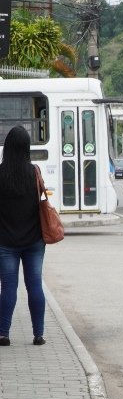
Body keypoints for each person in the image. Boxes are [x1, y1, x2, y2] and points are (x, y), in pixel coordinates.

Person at [0, 126, 48, 347]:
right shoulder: (34, 172)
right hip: (34, 241)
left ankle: (3, 334)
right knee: (35, 286)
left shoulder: (0, 173)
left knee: (9, 287)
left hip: (6, 242)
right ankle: (38, 335)